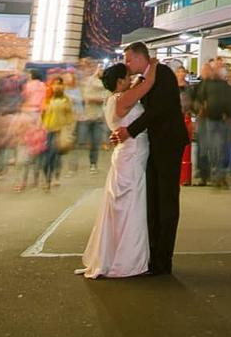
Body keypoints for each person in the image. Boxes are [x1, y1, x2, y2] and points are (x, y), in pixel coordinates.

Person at [110, 41, 190, 273]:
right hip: (153, 146)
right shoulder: (145, 79)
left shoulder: (162, 74)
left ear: (139, 57)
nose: (126, 64)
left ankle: (163, 259)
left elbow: (158, 110)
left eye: (128, 59)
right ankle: (152, 254)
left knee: (166, 201)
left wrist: (129, 131)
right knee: (153, 200)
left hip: (168, 144)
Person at [81, 63, 157, 279]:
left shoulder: (114, 99)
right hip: (131, 155)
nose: (130, 78)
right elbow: (148, 83)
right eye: (127, 76)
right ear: (120, 81)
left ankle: (117, 256)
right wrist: (153, 63)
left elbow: (138, 85)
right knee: (131, 205)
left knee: (122, 205)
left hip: (127, 153)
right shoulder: (123, 99)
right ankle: (128, 260)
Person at [195, 59, 231, 188]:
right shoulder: (206, 84)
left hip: (221, 121)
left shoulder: (224, 86)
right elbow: (199, 100)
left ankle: (219, 176)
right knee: (213, 149)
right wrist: (201, 110)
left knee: (220, 149)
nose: (218, 70)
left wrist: (230, 115)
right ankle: (214, 176)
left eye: (220, 68)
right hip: (210, 120)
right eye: (216, 68)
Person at [41, 79, 75, 189]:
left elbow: (70, 117)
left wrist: (69, 130)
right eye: (55, 84)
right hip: (47, 131)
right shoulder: (47, 98)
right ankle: (47, 179)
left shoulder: (66, 100)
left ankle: (54, 178)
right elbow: (42, 114)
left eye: (60, 84)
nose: (57, 86)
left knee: (54, 156)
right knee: (48, 158)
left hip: (60, 131)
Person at [78, 66, 108, 171]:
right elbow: (87, 98)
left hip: (98, 118)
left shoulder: (104, 85)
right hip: (87, 117)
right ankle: (76, 164)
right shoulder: (90, 82)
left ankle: (93, 163)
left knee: (95, 142)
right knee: (81, 141)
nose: (101, 72)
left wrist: (96, 99)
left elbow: (105, 99)